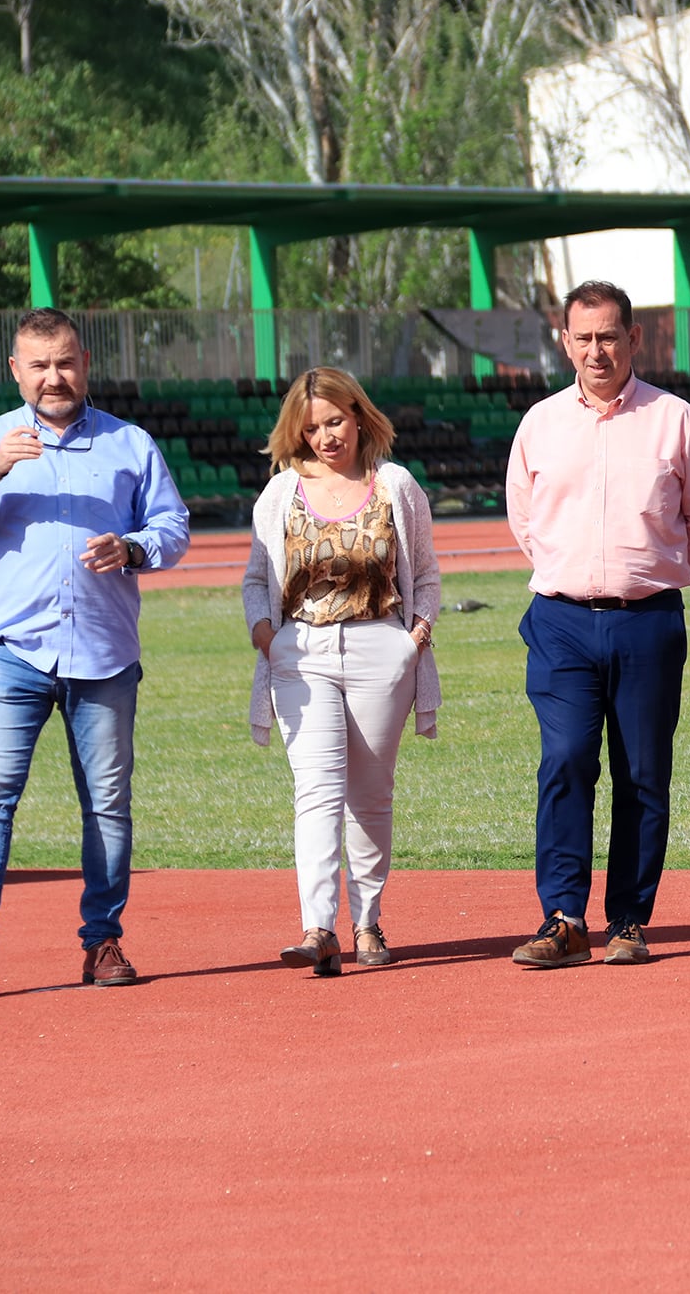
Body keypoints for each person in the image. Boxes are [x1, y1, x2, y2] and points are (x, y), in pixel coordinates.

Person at [0, 307, 189, 993]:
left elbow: (173, 528)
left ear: (85, 363)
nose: (53, 377)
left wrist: (132, 548)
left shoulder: (130, 444)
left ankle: (103, 942)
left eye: (64, 362)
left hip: (103, 656)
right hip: (11, 653)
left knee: (106, 804)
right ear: (16, 370)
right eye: (38, 365)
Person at [504, 280, 690, 968]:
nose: (597, 350)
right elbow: (524, 519)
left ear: (634, 338)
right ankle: (564, 917)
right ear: (564, 341)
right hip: (562, 621)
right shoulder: (540, 423)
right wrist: (575, 573)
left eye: (609, 335)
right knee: (566, 759)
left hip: (647, 622)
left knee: (642, 773)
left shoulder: (676, 420)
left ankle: (629, 919)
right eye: (584, 337)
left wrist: (655, 575)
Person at [242, 368, 441, 977]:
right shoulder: (280, 494)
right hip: (300, 653)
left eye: (334, 422)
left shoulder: (396, 486)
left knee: (370, 796)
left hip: (382, 649)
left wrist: (416, 636)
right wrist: (266, 637)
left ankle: (368, 921)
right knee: (317, 792)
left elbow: (426, 574)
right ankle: (318, 926)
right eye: (312, 428)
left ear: (358, 416)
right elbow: (257, 580)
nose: (326, 437)